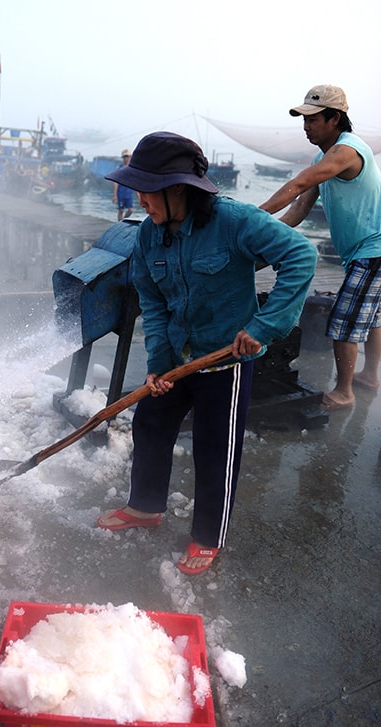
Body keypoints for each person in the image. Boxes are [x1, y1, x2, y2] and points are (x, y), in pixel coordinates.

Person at [98, 131, 317, 574]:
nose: (140, 199)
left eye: (146, 189)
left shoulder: (235, 221)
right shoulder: (148, 235)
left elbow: (301, 256)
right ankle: (144, 507)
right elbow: (152, 299)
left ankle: (207, 536)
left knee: (216, 448)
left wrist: (264, 326)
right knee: (150, 424)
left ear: (177, 188)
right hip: (178, 358)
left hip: (225, 360)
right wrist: (159, 363)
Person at [260, 85, 381, 410]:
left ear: (335, 118)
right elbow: (299, 210)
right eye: (304, 119)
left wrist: (251, 216)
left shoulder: (347, 151)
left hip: (374, 248)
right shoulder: (323, 156)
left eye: (313, 119)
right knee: (371, 317)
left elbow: (299, 182)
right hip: (363, 249)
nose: (306, 126)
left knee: (344, 320)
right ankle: (370, 375)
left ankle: (344, 392)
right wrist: (260, 233)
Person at [112, 150, 135, 220]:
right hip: (121, 193)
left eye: (127, 156)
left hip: (129, 193)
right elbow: (116, 182)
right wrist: (115, 195)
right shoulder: (119, 168)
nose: (126, 158)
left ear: (130, 157)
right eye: (124, 157)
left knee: (131, 210)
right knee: (121, 210)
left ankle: (124, 220)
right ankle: (119, 223)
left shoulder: (132, 168)